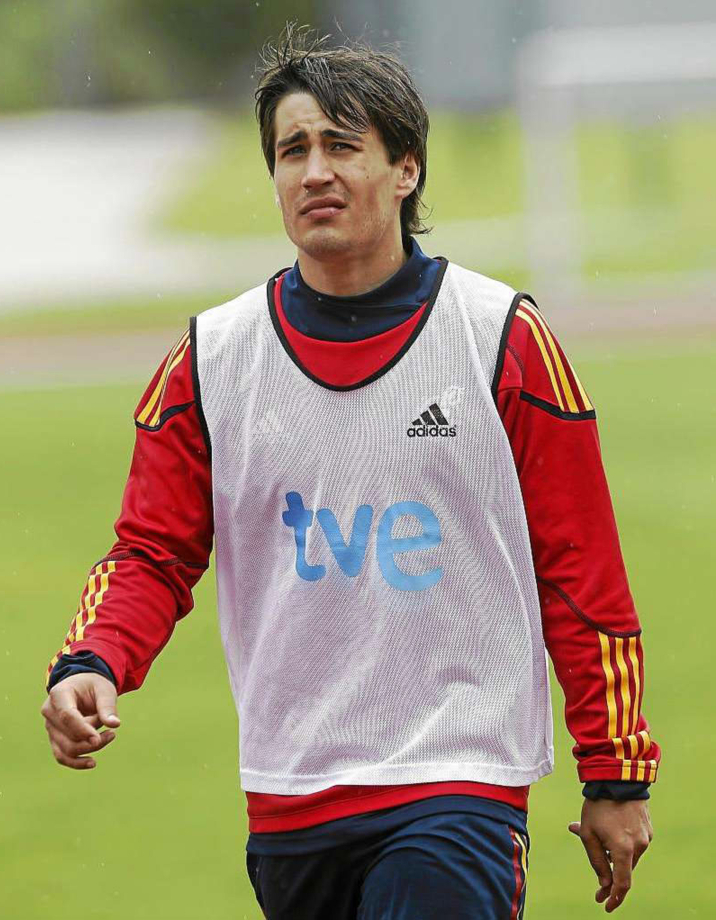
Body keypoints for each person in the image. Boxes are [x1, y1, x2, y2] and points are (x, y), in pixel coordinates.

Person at [40, 26, 659, 919]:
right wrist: (93, 659)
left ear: (406, 168)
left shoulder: (500, 339)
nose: (314, 171)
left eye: (341, 145)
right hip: (290, 793)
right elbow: (151, 552)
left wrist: (616, 768)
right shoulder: (212, 360)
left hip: (458, 782)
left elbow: (580, 566)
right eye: (293, 150)